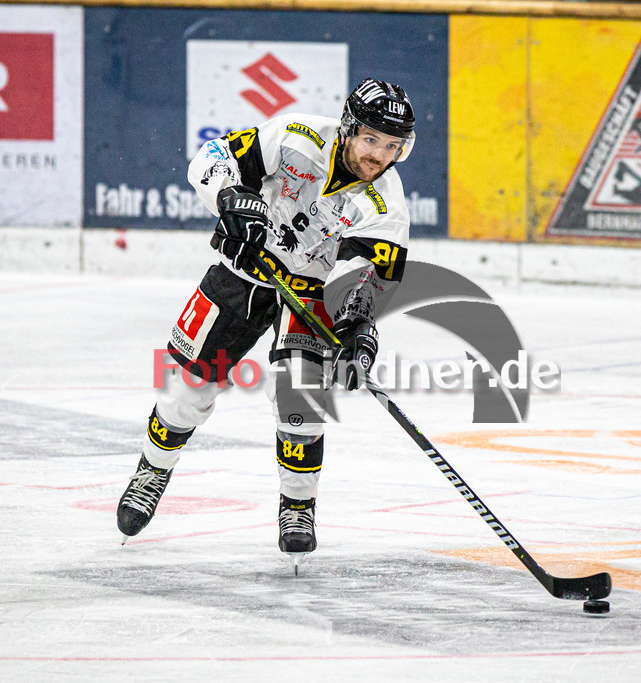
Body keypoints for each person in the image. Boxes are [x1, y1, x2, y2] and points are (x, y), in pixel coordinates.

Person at [116, 78, 416, 562]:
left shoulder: (387, 205)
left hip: (310, 293)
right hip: (242, 272)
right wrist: (232, 199)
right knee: (187, 389)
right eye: (370, 139)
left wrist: (358, 328)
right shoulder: (297, 137)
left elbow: (370, 277)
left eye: (391, 146)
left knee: (302, 401)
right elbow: (213, 159)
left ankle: (297, 505)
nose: (378, 155)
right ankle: (152, 471)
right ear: (347, 128)